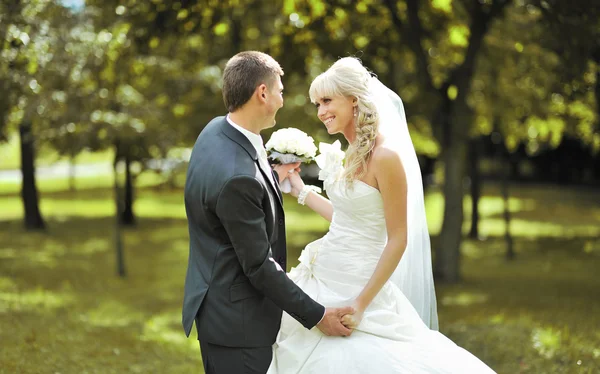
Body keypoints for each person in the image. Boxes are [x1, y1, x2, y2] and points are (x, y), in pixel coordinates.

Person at [268, 57, 496, 373]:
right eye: (317, 103)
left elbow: (398, 238)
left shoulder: (386, 158)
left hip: (359, 286)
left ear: (354, 100)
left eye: (327, 101)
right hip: (323, 275)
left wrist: (361, 304)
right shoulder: (348, 155)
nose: (321, 111)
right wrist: (300, 192)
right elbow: (349, 219)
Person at [182, 51, 354, 374]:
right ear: (262, 93)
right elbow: (259, 265)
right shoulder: (238, 178)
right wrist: (319, 316)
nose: (282, 99)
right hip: (240, 329)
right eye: (280, 91)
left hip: (216, 304)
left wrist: (274, 179)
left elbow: (224, 208)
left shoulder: (218, 132)